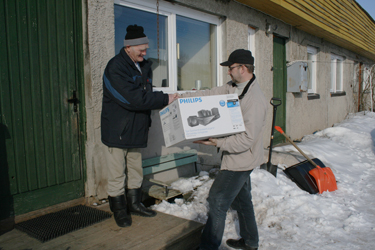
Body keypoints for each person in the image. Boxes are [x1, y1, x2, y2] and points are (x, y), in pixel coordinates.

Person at [181, 49, 267, 250]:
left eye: (231, 68)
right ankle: (250, 242)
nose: (228, 72)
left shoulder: (255, 100)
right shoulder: (234, 87)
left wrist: (218, 143)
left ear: (243, 68)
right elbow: (210, 93)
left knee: (217, 200)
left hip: (242, 159)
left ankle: (208, 247)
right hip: (235, 156)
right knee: (242, 199)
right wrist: (183, 98)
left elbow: (246, 139)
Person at [101, 24, 178, 228]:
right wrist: (164, 98)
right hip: (118, 130)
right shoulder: (115, 67)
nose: (145, 54)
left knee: (135, 169)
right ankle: (119, 210)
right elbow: (133, 99)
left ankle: (134, 204)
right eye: (140, 50)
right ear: (128, 48)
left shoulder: (143, 66)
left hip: (137, 129)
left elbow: (144, 95)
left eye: (146, 50)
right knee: (117, 172)